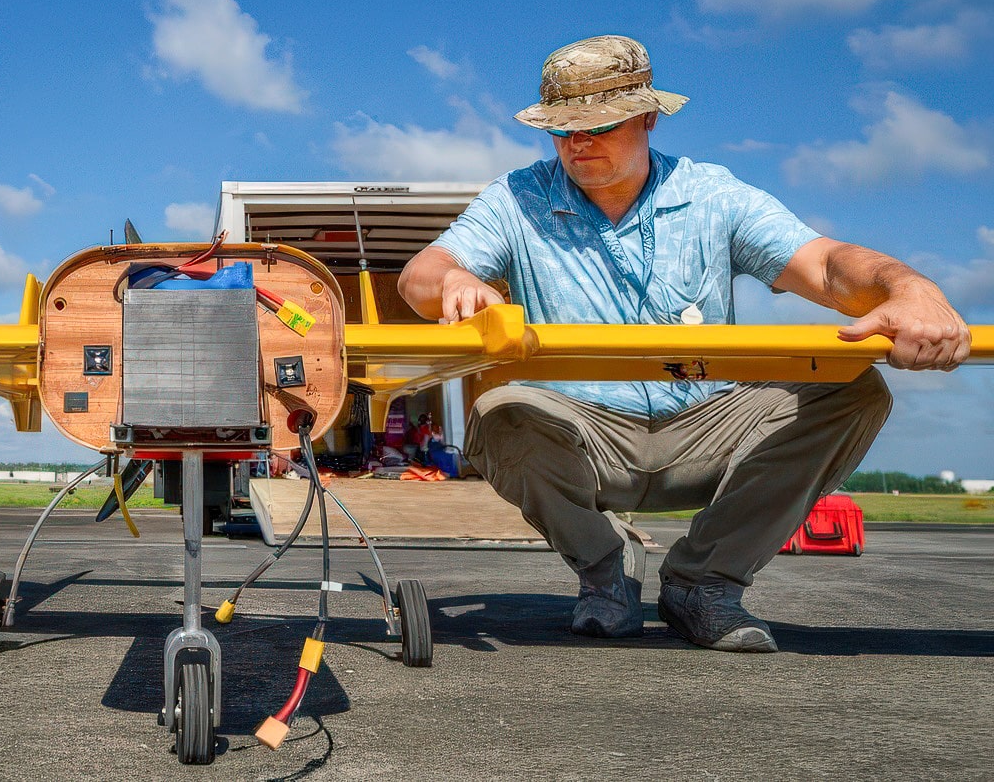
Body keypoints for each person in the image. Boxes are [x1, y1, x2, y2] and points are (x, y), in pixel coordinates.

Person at [398, 35, 969, 653]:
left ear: (647, 116)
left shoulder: (715, 196)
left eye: (598, 125)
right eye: (561, 130)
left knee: (851, 390)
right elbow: (421, 274)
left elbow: (827, 265)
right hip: (584, 433)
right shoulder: (516, 198)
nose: (578, 144)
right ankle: (602, 569)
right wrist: (454, 277)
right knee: (500, 412)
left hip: (707, 420)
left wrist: (911, 289)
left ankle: (701, 581)